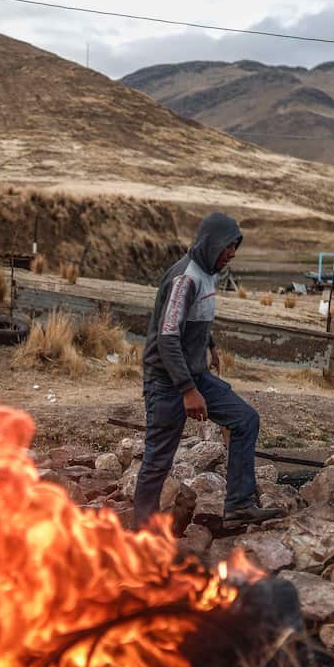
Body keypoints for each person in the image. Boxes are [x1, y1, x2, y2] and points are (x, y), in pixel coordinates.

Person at [132, 213, 284, 530]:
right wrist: (188, 390)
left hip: (193, 375)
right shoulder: (184, 278)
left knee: (244, 420)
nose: (232, 254)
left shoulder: (207, 274)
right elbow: (168, 336)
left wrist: (210, 344)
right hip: (168, 382)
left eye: (234, 248)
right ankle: (140, 532)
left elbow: (193, 317)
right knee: (159, 457)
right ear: (211, 243)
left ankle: (239, 506)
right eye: (228, 247)